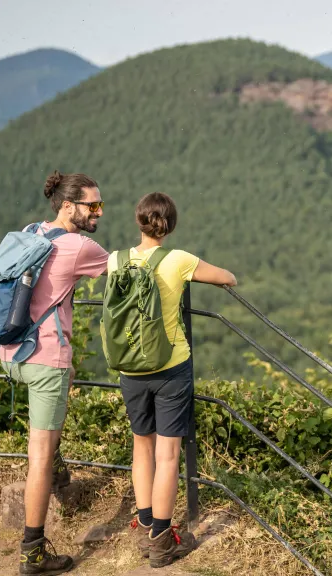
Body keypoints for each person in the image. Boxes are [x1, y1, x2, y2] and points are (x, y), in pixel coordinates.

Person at [110, 192, 236, 568]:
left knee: (141, 447)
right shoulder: (178, 259)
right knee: (168, 455)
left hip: (130, 367)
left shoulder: (118, 260)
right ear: (170, 225)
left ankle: (143, 523)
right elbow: (227, 277)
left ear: (139, 222)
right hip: (170, 368)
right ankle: (163, 541)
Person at [0, 170, 109, 575]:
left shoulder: (31, 232)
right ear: (68, 206)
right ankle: (32, 552)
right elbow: (127, 267)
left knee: (69, 372)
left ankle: (56, 462)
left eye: (100, 204)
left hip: (10, 353)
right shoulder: (80, 246)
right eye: (92, 205)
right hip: (46, 362)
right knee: (38, 456)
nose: (99, 212)